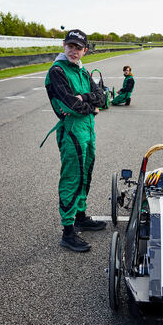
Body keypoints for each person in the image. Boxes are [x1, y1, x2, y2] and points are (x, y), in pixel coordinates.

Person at [42, 29, 107, 252]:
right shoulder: (57, 71)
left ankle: (80, 216)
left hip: (87, 129)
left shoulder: (82, 70)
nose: (73, 51)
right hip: (71, 131)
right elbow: (71, 105)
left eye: (78, 48)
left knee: (86, 173)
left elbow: (103, 96)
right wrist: (92, 107)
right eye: (70, 46)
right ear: (64, 46)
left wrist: (87, 99)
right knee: (72, 177)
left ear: (84, 51)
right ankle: (68, 232)